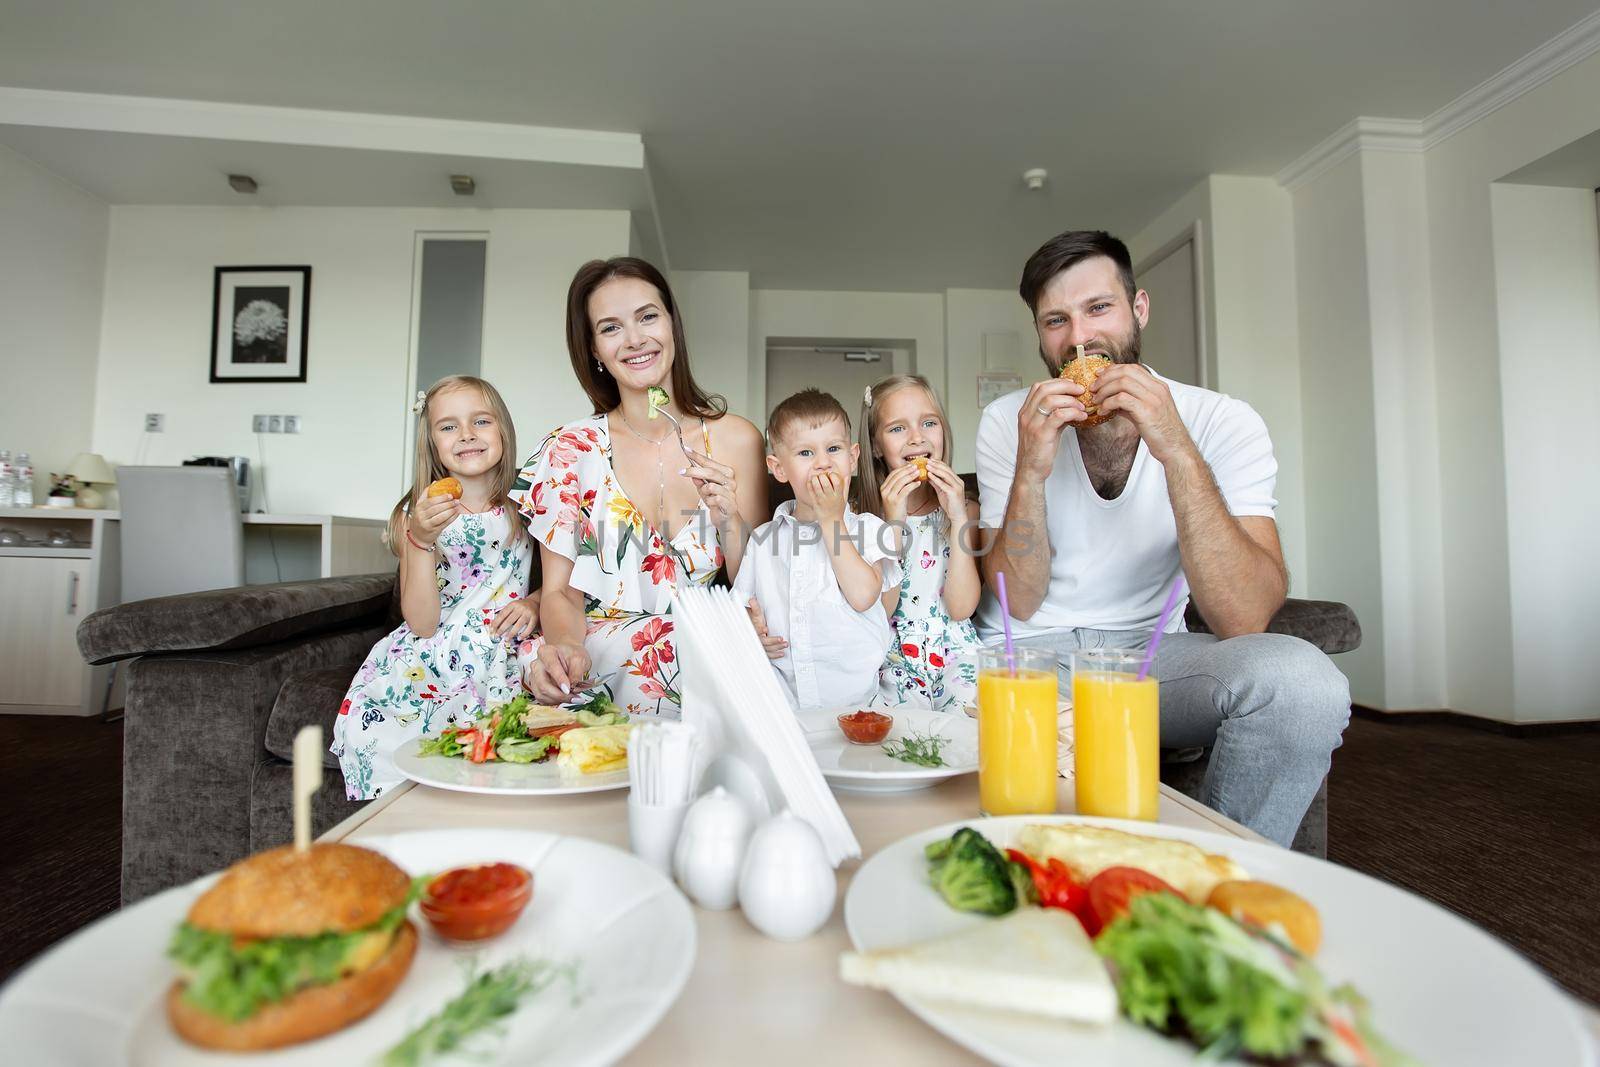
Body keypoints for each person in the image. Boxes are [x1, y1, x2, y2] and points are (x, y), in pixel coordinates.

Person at [975, 229, 1350, 846]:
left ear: (1138, 309)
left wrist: (1175, 445)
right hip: (1031, 657)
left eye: (1099, 308)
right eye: (1055, 321)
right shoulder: (1008, 421)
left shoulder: (1223, 420)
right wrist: (1032, 469)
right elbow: (1018, 601)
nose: (1079, 340)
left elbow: (1244, 616)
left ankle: (1224, 882)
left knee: (1305, 684)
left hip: (1147, 662)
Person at [515, 257, 767, 717]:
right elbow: (560, 592)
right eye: (610, 328)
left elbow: (755, 582)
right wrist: (569, 648)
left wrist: (731, 518)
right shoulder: (568, 449)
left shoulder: (737, 440)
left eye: (648, 316)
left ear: (672, 324)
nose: (635, 340)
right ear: (593, 348)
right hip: (598, 664)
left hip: (707, 663)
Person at [332, 375, 539, 799]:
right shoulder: (420, 513)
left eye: (481, 421)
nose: (466, 435)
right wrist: (420, 540)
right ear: (432, 443)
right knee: (386, 720)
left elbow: (560, 578)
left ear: (503, 429)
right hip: (439, 644)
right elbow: (423, 623)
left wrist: (535, 602)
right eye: (448, 426)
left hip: (504, 640)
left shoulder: (531, 498)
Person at [735, 389, 902, 710]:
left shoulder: (869, 529)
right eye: (805, 453)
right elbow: (742, 607)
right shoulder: (762, 540)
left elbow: (865, 596)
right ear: (778, 468)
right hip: (784, 701)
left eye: (834, 449)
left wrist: (831, 520)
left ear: (852, 459)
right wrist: (751, 632)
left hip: (856, 702)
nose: (823, 463)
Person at [855, 374, 983, 712]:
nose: (917, 438)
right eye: (897, 428)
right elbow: (879, 611)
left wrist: (957, 518)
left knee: (974, 715)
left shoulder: (966, 509)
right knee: (894, 726)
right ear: (875, 446)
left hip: (956, 650)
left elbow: (961, 608)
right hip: (890, 654)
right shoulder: (860, 518)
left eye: (929, 423)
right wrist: (893, 523)